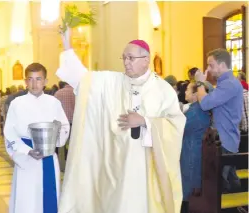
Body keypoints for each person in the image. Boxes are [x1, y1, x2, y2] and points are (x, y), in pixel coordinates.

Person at [56, 29, 185, 213]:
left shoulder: (162, 89)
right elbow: (83, 80)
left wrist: (145, 122)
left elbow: (176, 123)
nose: (126, 62)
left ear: (146, 60)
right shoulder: (112, 83)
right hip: (116, 165)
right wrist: (67, 45)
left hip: (147, 167)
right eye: (123, 58)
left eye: (131, 58)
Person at [4, 63, 70, 213]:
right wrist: (26, 151)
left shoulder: (54, 103)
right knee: (26, 200)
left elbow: (65, 126)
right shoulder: (17, 104)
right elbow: (10, 132)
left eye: (38, 79)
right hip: (26, 157)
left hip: (48, 158)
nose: (34, 84)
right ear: (25, 81)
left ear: (45, 81)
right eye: (30, 79)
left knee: (48, 198)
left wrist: (55, 136)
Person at [195, 48, 243, 192]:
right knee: (230, 184)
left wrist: (199, 84)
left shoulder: (229, 84)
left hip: (225, 142)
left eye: (211, 65)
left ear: (222, 65)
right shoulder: (226, 83)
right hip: (226, 140)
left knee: (218, 188)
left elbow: (205, 104)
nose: (208, 69)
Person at [180, 82, 213, 213]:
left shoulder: (195, 111)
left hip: (191, 151)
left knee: (188, 184)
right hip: (192, 148)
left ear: (195, 94)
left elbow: (180, 128)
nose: (185, 92)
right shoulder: (198, 108)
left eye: (188, 90)